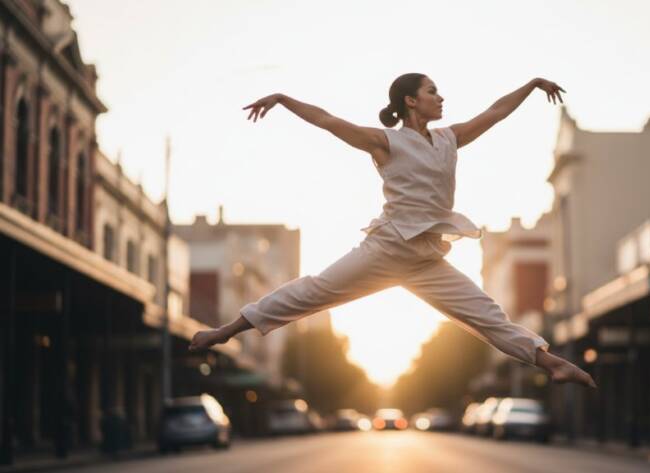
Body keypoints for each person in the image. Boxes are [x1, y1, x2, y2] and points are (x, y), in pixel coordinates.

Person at [189, 74, 596, 388]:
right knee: (312, 291)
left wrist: (530, 86)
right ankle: (224, 332)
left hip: (425, 258)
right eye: (432, 91)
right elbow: (328, 121)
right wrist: (282, 98)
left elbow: (496, 111)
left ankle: (551, 363)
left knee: (486, 313)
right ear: (410, 101)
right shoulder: (385, 142)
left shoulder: (449, 139)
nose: (441, 98)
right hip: (386, 249)